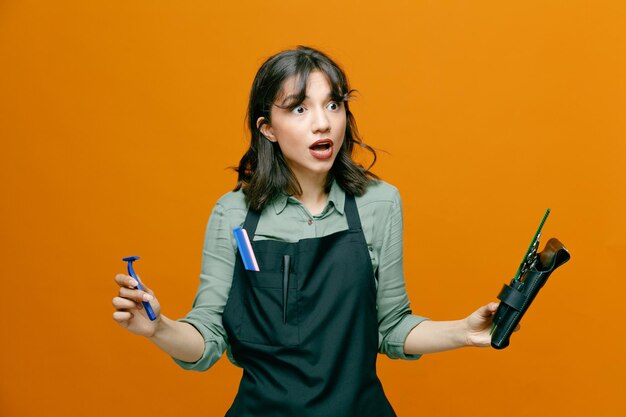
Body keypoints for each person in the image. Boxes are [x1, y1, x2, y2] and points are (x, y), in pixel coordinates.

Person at [112, 46, 508, 417]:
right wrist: (158, 328)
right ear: (267, 128)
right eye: (299, 109)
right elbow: (208, 337)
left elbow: (391, 327)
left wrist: (465, 332)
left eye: (333, 104)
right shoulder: (232, 215)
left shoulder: (380, 203)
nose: (323, 123)